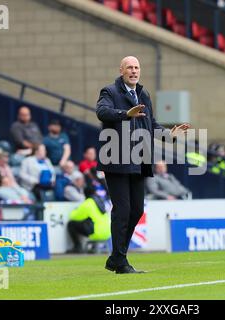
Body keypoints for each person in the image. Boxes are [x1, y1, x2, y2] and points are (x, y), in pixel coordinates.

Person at [96, 56, 189, 274]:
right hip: (116, 158)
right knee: (123, 209)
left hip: (139, 159)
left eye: (137, 67)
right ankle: (120, 261)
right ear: (121, 70)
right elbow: (101, 112)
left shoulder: (143, 94)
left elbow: (151, 124)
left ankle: (117, 258)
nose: (134, 71)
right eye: (129, 67)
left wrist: (168, 134)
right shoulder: (109, 92)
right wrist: (124, 114)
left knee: (137, 210)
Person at [67, 186, 111, 253]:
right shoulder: (101, 201)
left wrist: (75, 210)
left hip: (96, 233)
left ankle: (77, 247)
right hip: (107, 233)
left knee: (71, 224)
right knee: (91, 221)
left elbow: (74, 216)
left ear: (85, 194)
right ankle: (92, 248)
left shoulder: (88, 203)